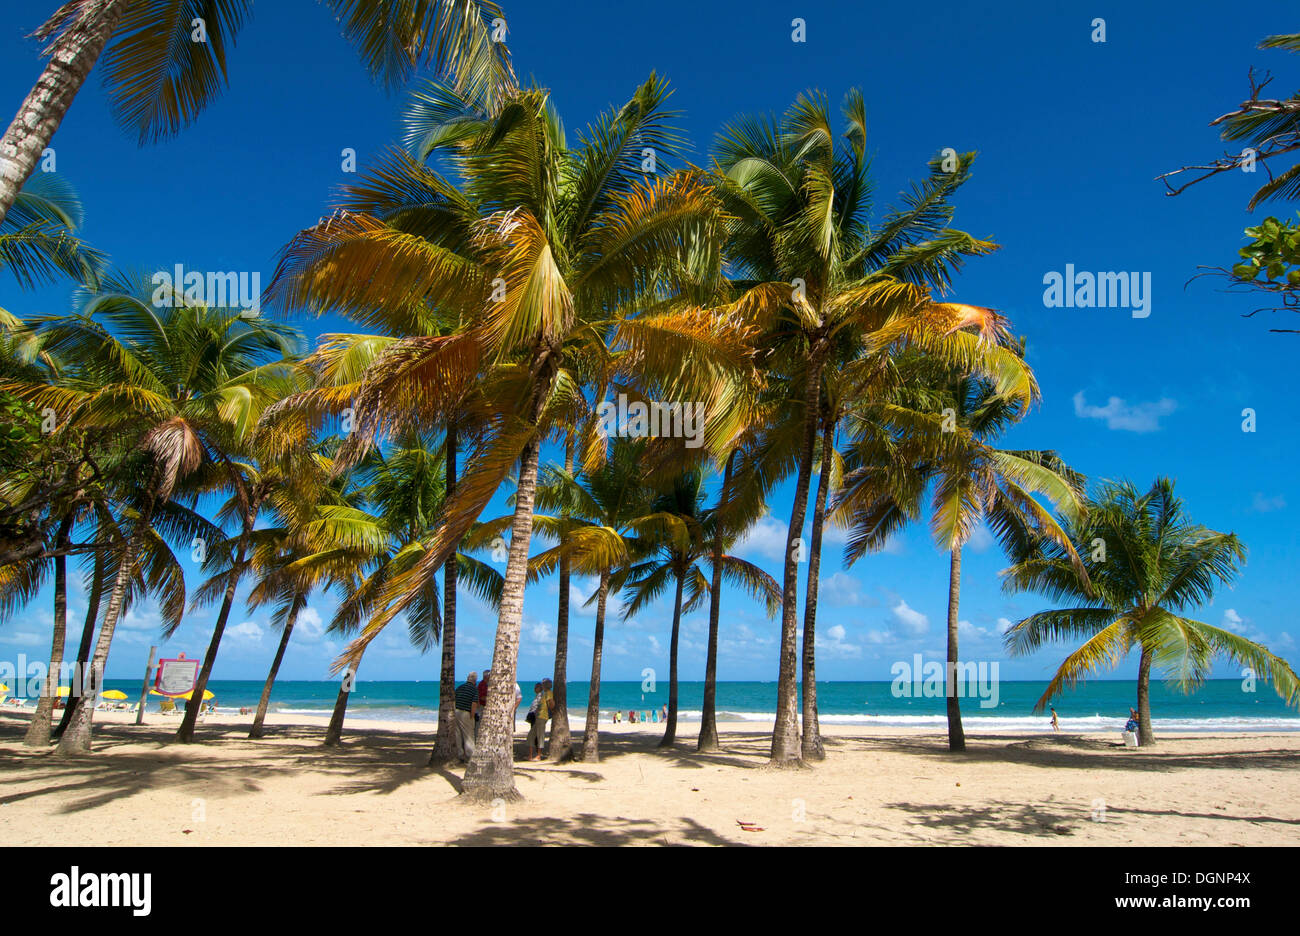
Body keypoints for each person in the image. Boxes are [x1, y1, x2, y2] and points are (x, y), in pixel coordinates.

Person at [454, 672, 478, 761]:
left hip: (456, 711)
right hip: (466, 713)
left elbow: (454, 699)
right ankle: (470, 755)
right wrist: (472, 716)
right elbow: (474, 703)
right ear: (475, 681)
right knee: (468, 734)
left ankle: (460, 753)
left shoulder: (460, 687)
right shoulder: (474, 689)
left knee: (458, 734)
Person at [527, 682, 545, 760]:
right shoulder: (538, 696)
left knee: (539, 736)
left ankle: (538, 755)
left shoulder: (541, 696)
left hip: (539, 717)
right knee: (532, 736)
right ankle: (531, 755)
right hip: (535, 717)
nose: (534, 689)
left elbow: (539, 707)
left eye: (536, 687)